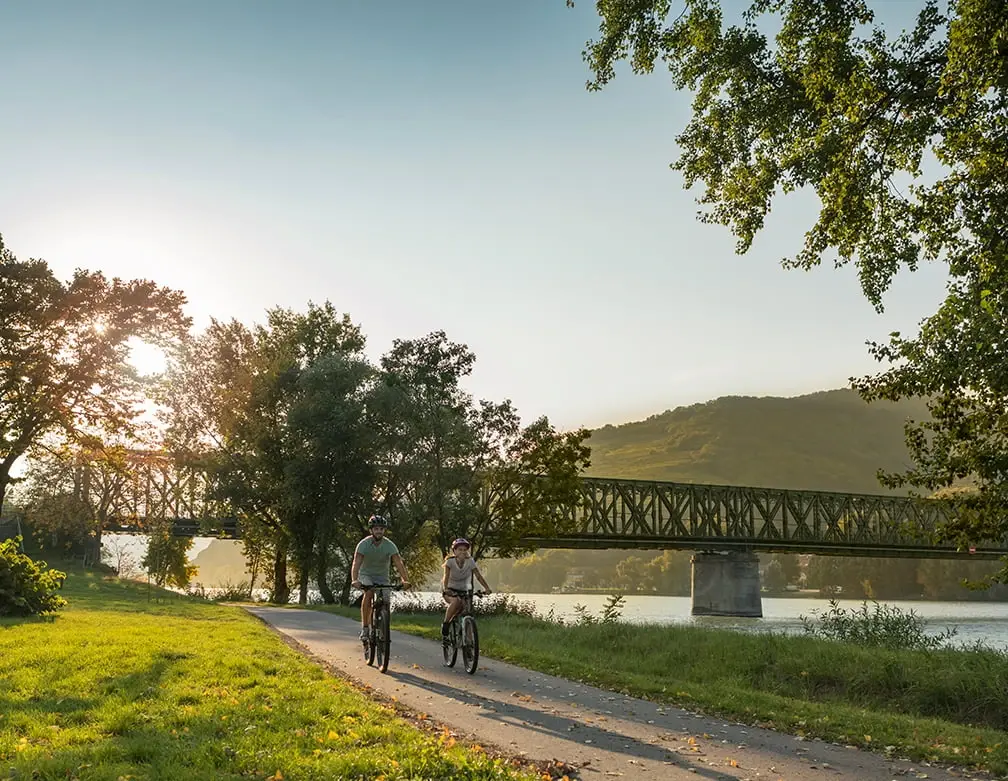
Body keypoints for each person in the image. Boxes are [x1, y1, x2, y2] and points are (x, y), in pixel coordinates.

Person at [350, 514, 411, 645]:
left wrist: (405, 580)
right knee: (369, 592)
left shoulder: (390, 545)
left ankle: (383, 628)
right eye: (376, 528)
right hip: (366, 575)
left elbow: (399, 563)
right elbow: (356, 563)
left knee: (386, 601)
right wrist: (355, 579)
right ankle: (365, 628)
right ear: (371, 530)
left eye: (381, 529)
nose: (379, 531)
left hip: (382, 577)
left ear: (384, 530)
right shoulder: (363, 545)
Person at [441, 537, 491, 645]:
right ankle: (446, 624)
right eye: (460, 549)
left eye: (465, 550)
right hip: (450, 589)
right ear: (454, 551)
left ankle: (468, 643)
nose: (463, 552)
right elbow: (446, 576)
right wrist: (445, 589)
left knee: (466, 612)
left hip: (463, 590)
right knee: (455, 602)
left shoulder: (470, 561)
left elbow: (478, 576)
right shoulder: (450, 562)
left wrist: (486, 588)